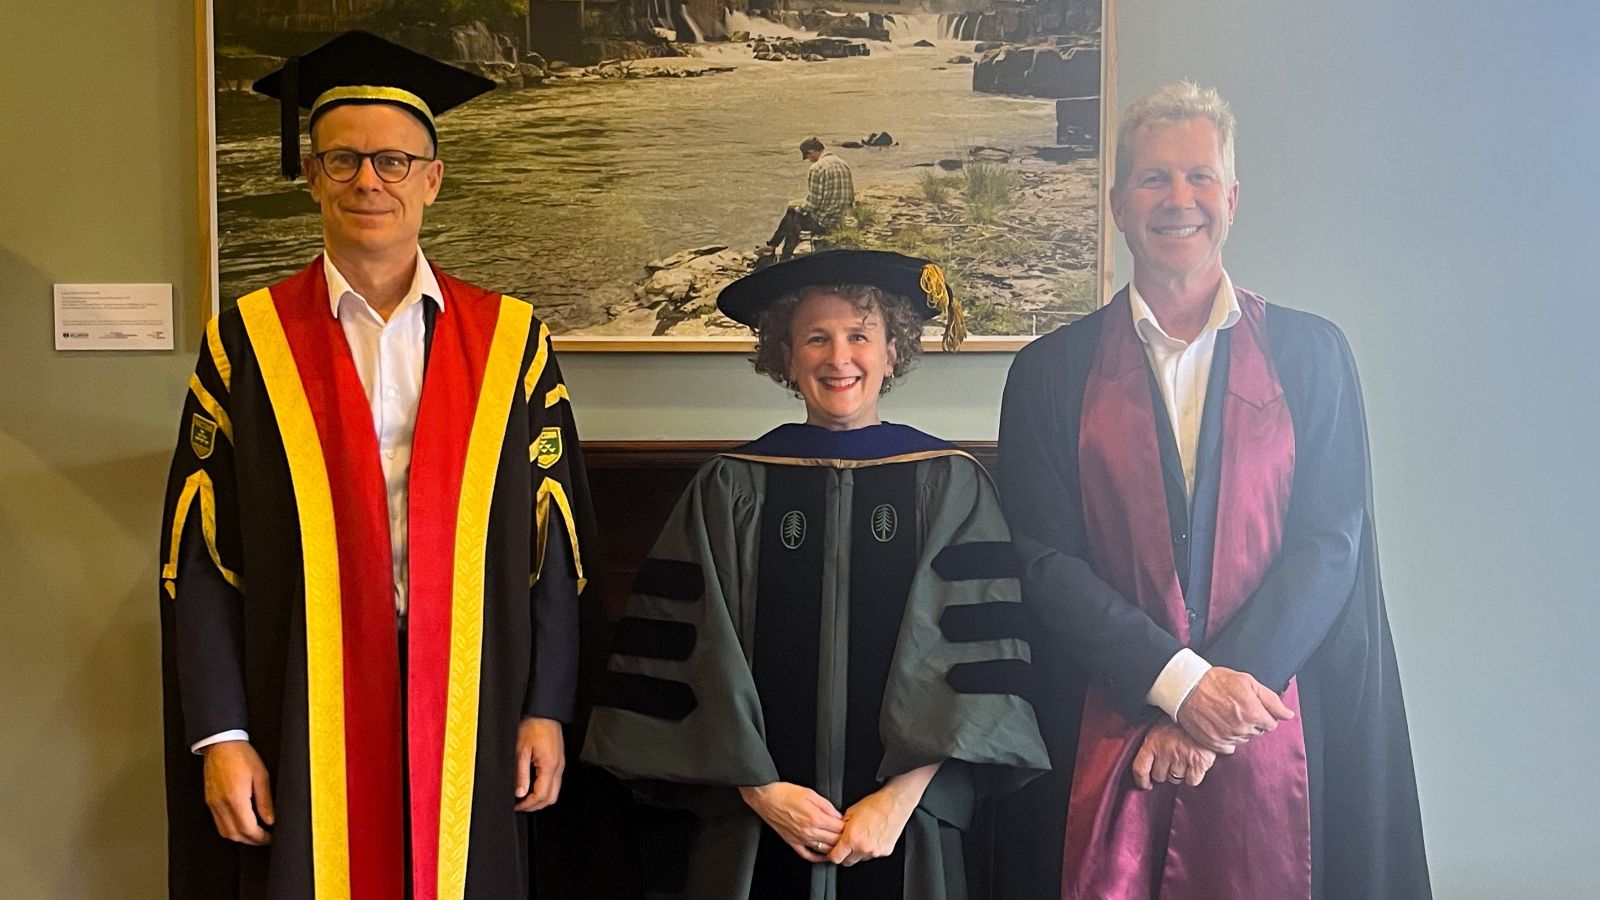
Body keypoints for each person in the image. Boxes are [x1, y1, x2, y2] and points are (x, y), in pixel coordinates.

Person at [156, 31, 596, 900]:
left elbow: (556, 543)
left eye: (394, 161)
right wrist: (221, 733)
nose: (370, 181)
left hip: (473, 689)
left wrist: (545, 706)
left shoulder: (511, 340)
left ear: (432, 177)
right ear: (312, 175)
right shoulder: (248, 342)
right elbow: (201, 554)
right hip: (302, 689)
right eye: (345, 159)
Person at [992, 82, 1431, 899]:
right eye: (1154, 179)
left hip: (1275, 725)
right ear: (1119, 205)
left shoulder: (1311, 355)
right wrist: (1179, 687)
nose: (1178, 200)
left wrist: (1214, 709)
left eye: (1199, 177)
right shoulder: (1050, 373)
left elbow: (1332, 542)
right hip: (1109, 720)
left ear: (1232, 198)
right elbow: (1044, 559)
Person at [582, 250, 1047, 899]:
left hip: (903, 829)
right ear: (786, 356)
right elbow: (690, 663)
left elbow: (977, 673)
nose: (839, 358)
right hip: (755, 826)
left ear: (893, 352)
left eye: (861, 336)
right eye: (816, 338)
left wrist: (898, 801)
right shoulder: (729, 486)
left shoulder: (949, 485)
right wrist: (760, 790)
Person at [764, 137, 855, 261]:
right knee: (794, 213)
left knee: (792, 215)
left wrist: (799, 209)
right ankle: (773, 247)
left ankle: (781, 253)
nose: (809, 160)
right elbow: (851, 196)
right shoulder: (843, 164)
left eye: (808, 157)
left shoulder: (817, 168)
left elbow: (814, 203)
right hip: (841, 217)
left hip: (825, 221)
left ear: (811, 151)